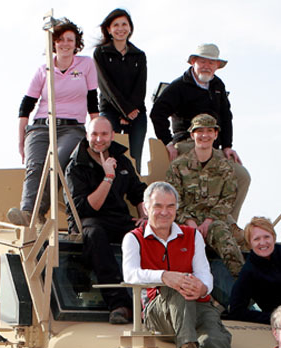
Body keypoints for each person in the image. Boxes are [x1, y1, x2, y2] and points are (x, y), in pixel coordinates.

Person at [121, 181, 235, 348]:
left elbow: (205, 273)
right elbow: (130, 274)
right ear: (146, 208)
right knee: (178, 286)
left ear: (176, 208)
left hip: (195, 304)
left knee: (215, 334)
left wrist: (202, 288)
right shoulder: (134, 238)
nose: (164, 212)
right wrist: (165, 277)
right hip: (158, 311)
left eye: (170, 206)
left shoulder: (192, 236)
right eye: (158, 206)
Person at [150, 43, 250, 221]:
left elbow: (226, 117)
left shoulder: (218, 86)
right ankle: (186, 221)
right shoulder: (179, 86)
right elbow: (157, 113)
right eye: (202, 61)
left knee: (242, 176)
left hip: (212, 146)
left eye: (211, 62)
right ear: (193, 62)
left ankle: (227, 223)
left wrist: (227, 146)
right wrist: (168, 142)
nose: (207, 66)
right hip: (187, 143)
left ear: (217, 66)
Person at [11, 18, 97, 226]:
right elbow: (26, 106)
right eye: (60, 40)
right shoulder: (44, 70)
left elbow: (93, 102)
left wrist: (96, 131)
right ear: (53, 43)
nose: (65, 43)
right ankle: (28, 213)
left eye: (70, 39)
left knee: (57, 161)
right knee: (35, 165)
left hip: (72, 127)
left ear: (76, 43)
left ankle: (38, 211)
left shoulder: (86, 65)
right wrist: (21, 139)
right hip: (41, 126)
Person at [65, 116, 147, 324]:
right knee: (95, 234)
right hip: (89, 221)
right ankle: (119, 304)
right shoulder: (76, 166)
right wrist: (108, 177)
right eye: (94, 134)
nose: (99, 139)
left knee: (149, 232)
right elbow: (87, 207)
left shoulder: (122, 160)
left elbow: (138, 192)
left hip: (118, 219)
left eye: (103, 134)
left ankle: (153, 302)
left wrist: (145, 217)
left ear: (112, 135)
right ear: (87, 135)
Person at [167, 113, 245, 277]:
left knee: (231, 247)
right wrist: (189, 221)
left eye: (209, 131)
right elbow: (173, 200)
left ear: (216, 135)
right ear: (192, 135)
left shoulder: (225, 167)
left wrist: (209, 221)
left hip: (214, 222)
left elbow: (228, 199)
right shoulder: (178, 166)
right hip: (183, 223)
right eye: (199, 131)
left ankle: (244, 291)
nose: (204, 135)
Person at [93, 8, 148, 172]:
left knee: (134, 157)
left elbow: (141, 86)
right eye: (115, 25)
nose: (120, 28)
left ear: (130, 28)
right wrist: (124, 111)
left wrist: (131, 111)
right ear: (109, 29)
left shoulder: (139, 55)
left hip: (136, 111)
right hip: (110, 111)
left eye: (124, 24)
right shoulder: (100, 53)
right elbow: (106, 87)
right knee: (111, 157)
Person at [227, 216, 281, 323]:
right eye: (256, 239)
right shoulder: (249, 271)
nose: (262, 243)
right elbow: (236, 310)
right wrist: (272, 317)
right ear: (250, 244)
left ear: (273, 238)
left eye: (266, 237)